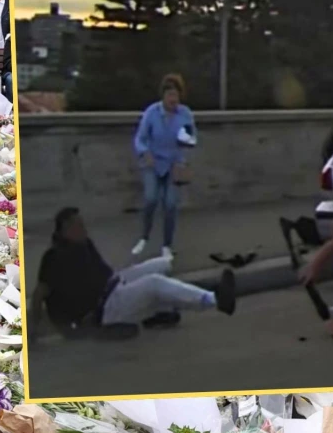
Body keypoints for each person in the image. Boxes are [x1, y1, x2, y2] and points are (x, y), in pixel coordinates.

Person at [31, 207, 236, 341]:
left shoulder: (84, 243)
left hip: (114, 284)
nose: (84, 229)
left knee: (162, 264)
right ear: (66, 230)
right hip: (104, 309)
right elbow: (40, 294)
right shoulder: (54, 257)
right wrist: (43, 332)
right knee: (154, 283)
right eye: (79, 225)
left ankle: (158, 314)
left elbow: (102, 273)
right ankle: (215, 300)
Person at [132, 73, 196, 259]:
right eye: (170, 95)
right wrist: (144, 152)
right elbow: (140, 138)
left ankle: (167, 245)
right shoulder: (152, 113)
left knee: (170, 204)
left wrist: (186, 142)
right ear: (163, 96)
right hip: (153, 162)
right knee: (151, 198)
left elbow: (191, 139)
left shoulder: (185, 114)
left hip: (173, 165)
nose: (173, 100)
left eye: (176, 95)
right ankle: (144, 237)